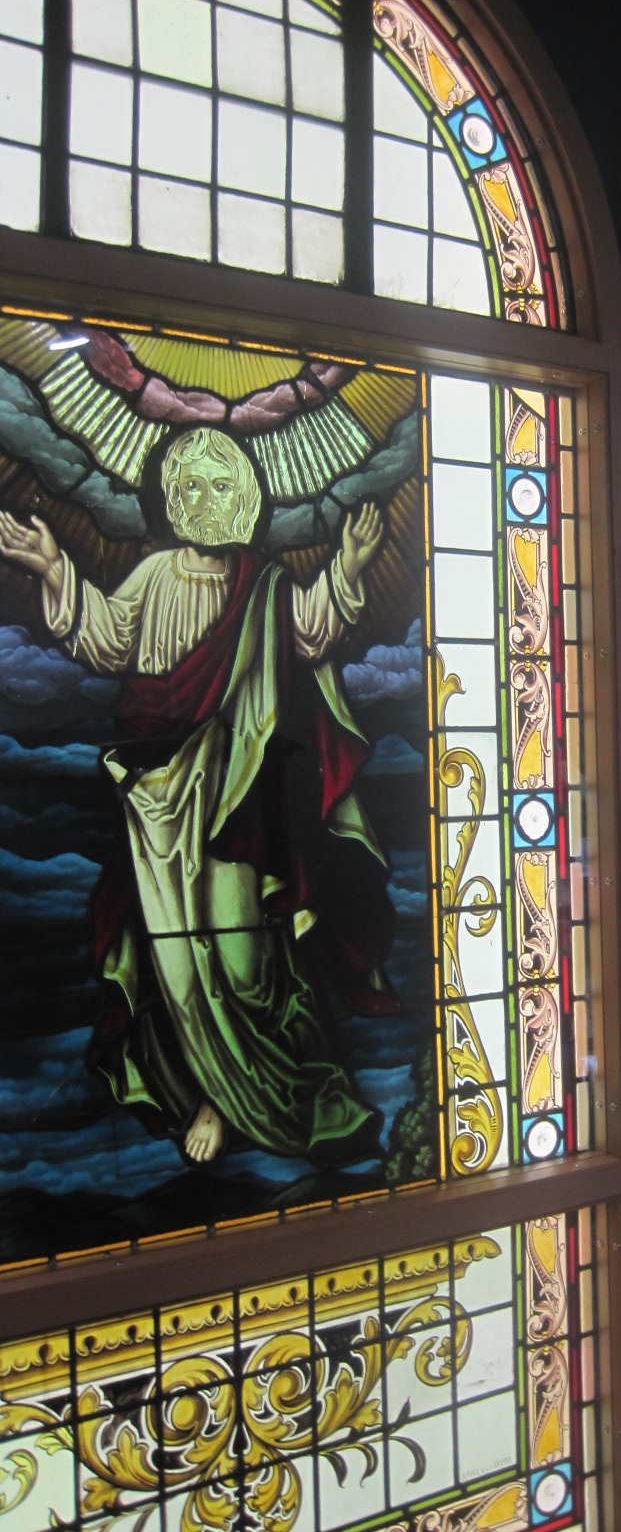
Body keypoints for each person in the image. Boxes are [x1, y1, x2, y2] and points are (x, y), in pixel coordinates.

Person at [0, 426, 395, 1167]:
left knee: (244, 957)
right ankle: (210, 1093)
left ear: (242, 497)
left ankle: (268, 1085)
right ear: (172, 501)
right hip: (157, 799)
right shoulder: (154, 575)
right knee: (176, 961)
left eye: (219, 487)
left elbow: (309, 637)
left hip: (240, 795)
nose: (204, 501)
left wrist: (346, 566)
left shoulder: (265, 583)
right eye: (189, 488)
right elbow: (108, 641)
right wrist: (55, 569)